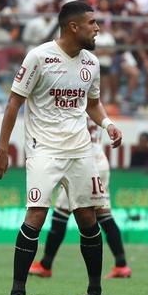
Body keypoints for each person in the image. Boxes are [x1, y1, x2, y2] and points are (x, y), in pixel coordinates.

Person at [0, 1, 123, 295]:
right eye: (92, 23)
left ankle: (94, 293)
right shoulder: (39, 57)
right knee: (36, 214)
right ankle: (18, 293)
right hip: (44, 148)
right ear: (73, 26)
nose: (97, 28)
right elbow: (13, 102)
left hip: (80, 149)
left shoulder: (91, 63)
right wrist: (2, 148)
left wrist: (107, 123)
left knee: (88, 217)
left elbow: (92, 102)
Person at [29, 117, 132, 280]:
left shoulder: (74, 108)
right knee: (104, 214)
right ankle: (121, 264)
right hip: (99, 162)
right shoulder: (93, 105)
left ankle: (45, 265)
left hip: (81, 165)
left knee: (60, 213)